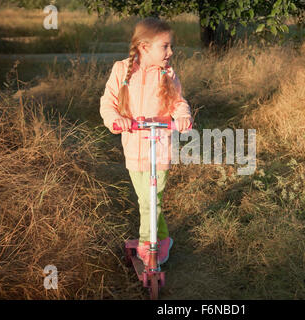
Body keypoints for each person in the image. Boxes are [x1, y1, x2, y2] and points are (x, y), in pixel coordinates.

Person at [100, 17, 193, 267]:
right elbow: (107, 102)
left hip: (160, 147)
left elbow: (178, 102)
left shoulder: (167, 74)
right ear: (144, 47)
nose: (170, 52)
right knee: (147, 199)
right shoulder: (121, 70)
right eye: (165, 46)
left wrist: (182, 116)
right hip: (133, 147)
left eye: (170, 46)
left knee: (152, 199)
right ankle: (163, 239)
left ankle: (147, 245)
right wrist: (117, 119)